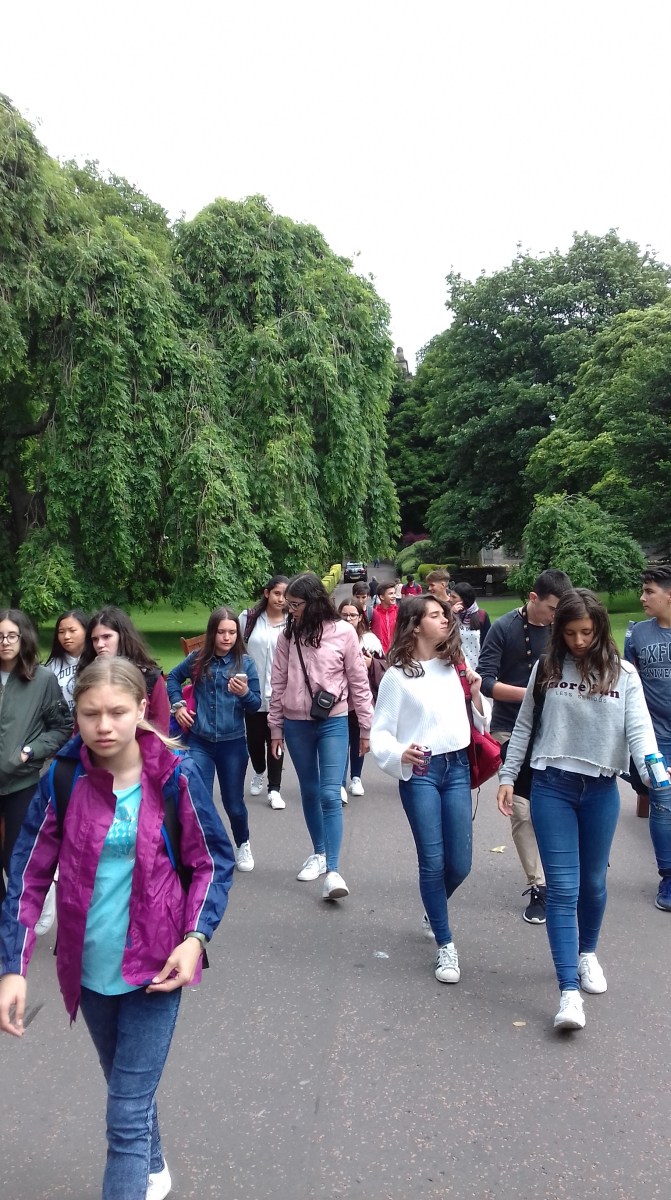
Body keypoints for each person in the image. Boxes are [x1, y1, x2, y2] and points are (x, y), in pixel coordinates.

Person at [0, 657, 234, 1199]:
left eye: (117, 712)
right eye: (90, 714)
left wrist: (195, 939)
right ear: (76, 715)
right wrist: (12, 967)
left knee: (125, 1114)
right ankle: (154, 1167)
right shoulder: (62, 779)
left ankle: (138, 1168)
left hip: (157, 968)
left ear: (141, 710)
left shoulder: (176, 777)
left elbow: (212, 863)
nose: (104, 725)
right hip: (88, 969)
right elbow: (27, 876)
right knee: (126, 1089)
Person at [497, 589, 661, 1032]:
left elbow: (640, 730)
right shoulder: (547, 667)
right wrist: (508, 776)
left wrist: (656, 773)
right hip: (552, 787)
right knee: (563, 890)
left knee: (593, 883)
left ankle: (587, 952)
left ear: (600, 628)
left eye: (586, 632)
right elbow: (525, 725)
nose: (579, 641)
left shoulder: (623, 673)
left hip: (601, 790)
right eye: (569, 633)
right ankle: (568, 992)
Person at [371, 596, 491, 985]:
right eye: (435, 615)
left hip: (456, 767)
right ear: (415, 625)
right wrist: (399, 753)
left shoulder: (455, 665)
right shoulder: (396, 677)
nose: (445, 620)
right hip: (421, 771)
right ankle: (445, 943)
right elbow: (380, 734)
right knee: (433, 861)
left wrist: (476, 693)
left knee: (460, 865)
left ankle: (432, 907)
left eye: (444, 615)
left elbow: (479, 722)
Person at [268, 573, 374, 900]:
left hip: (333, 721)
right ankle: (319, 852)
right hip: (296, 723)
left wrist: (366, 727)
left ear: (313, 602)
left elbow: (359, 681)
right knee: (310, 791)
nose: (290, 610)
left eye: (295, 604)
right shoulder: (288, 636)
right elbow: (278, 683)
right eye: (288, 605)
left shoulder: (343, 632)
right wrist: (275, 728)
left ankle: (333, 871)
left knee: (330, 793)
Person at [479, 569, 572, 923]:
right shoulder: (505, 628)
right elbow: (486, 682)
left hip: (556, 732)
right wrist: (533, 693)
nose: (556, 617)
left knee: (555, 807)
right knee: (521, 809)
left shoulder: (565, 630)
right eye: (552, 609)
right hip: (509, 728)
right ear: (533, 598)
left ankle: (563, 876)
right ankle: (539, 885)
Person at [167, 608, 261, 872]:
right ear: (212, 633)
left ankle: (242, 843)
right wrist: (178, 705)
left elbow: (255, 705)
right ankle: (205, 851)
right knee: (200, 801)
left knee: (234, 804)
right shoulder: (198, 659)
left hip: (233, 744)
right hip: (200, 742)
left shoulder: (245, 663)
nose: (227, 637)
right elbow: (173, 678)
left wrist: (244, 693)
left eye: (231, 632)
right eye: (221, 632)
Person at [0, 609, 73, 915]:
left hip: (21, 782)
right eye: (0, 636)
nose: (5, 642)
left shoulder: (42, 679)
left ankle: (25, 915)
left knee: (15, 859)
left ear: (23, 638)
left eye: (11, 635)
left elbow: (62, 726)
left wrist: (29, 751)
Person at [624, 565, 671, 911]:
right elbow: (628, 682)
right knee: (663, 802)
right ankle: (668, 876)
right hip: (655, 740)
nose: (642, 597)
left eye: (649, 591)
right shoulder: (637, 634)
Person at [238, 575, 289, 810]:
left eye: (285, 595)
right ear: (267, 593)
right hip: (252, 694)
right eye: (277, 593)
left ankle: (274, 789)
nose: (281, 599)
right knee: (255, 742)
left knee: (276, 740)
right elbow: (235, 648)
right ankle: (259, 770)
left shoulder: (292, 623)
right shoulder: (248, 619)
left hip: (280, 695)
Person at [79, 607, 171, 735]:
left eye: (106, 637)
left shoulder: (150, 677)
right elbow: (80, 727)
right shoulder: (88, 676)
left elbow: (161, 730)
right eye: (95, 639)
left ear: (122, 637)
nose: (100, 644)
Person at [337, 599, 383, 798]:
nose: (348, 619)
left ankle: (356, 777)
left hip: (361, 699)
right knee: (340, 742)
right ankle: (339, 782)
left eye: (352, 615)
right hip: (337, 699)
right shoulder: (332, 637)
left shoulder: (369, 640)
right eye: (344, 615)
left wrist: (371, 663)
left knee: (358, 740)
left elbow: (384, 665)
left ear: (360, 617)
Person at [45, 609, 89, 713]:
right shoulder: (51, 666)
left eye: (72, 630)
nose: (66, 636)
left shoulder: (96, 662)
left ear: (86, 631)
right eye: (61, 632)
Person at [371, 581, 399, 654]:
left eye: (394, 593)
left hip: (396, 654)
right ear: (382, 597)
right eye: (391, 594)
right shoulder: (374, 614)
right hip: (380, 655)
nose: (394, 596)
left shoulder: (399, 612)